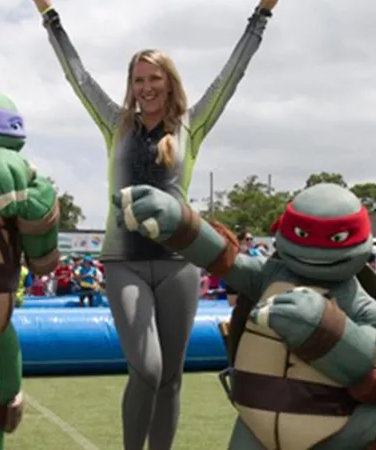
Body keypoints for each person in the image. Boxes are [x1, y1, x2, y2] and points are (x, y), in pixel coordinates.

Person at [34, 0, 276, 447]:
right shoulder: (115, 124)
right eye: (138, 80)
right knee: (147, 368)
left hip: (179, 264)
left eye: (154, 78)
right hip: (123, 262)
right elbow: (78, 76)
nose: (146, 87)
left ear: (169, 82)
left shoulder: (191, 126)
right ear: (131, 86)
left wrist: (261, 15)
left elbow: (232, 74)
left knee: (170, 378)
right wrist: (50, 17)